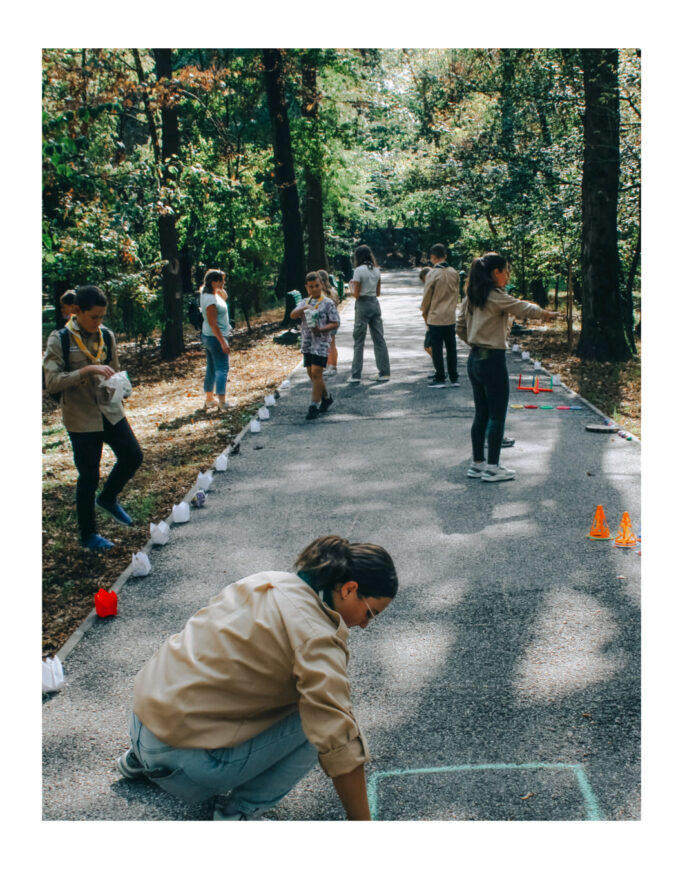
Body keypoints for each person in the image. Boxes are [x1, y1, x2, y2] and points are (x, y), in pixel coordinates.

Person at [117, 535, 398, 821]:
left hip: (141, 722)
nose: (364, 625)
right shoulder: (317, 638)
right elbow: (340, 743)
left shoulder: (268, 580)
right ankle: (238, 814)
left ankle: (136, 760)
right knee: (318, 719)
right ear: (350, 589)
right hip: (183, 766)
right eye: (369, 613)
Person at [43, 285, 143, 550]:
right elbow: (51, 382)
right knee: (88, 476)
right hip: (81, 418)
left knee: (133, 455)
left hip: (109, 411)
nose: (98, 322)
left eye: (102, 316)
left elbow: (115, 369)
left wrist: (121, 387)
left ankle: (108, 499)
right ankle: (89, 535)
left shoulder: (106, 336)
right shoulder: (60, 339)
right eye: (93, 317)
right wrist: (85, 370)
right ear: (77, 311)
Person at [457, 252, 558, 482]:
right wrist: (546, 314)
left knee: (481, 413)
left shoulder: (470, 297)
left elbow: (460, 327)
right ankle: (493, 467)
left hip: (474, 359)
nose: (507, 276)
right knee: (497, 414)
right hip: (492, 360)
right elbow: (522, 307)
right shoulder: (496, 296)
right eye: (506, 271)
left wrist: (475, 340)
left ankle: (477, 463)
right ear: (496, 273)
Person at [290, 271, 340, 420]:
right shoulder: (305, 302)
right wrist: (304, 308)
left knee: (317, 372)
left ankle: (314, 405)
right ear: (307, 287)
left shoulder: (328, 303)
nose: (314, 289)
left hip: (321, 342)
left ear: (322, 285)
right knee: (311, 373)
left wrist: (321, 330)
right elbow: (292, 315)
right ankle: (325, 397)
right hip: (307, 342)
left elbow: (335, 322)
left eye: (317, 285)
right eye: (311, 287)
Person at [348, 245, 390, 383]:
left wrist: (351, 286)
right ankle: (384, 372)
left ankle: (356, 374)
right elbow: (378, 292)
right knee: (379, 339)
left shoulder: (358, 271)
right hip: (374, 303)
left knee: (359, 340)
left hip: (363, 304)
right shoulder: (377, 271)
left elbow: (356, 293)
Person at [421, 243, 460, 388]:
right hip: (450, 315)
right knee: (451, 347)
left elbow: (427, 297)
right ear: (445, 256)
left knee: (436, 348)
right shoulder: (454, 272)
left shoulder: (432, 274)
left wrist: (425, 313)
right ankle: (454, 376)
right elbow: (457, 294)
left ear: (433, 257)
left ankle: (440, 376)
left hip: (436, 316)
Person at [199, 269, 232, 412]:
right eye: (221, 280)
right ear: (213, 282)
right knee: (222, 368)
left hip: (208, 336)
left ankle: (209, 399)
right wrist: (223, 342)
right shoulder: (211, 300)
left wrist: (220, 287)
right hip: (215, 337)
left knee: (212, 367)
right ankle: (222, 402)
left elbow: (225, 296)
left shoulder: (208, 293)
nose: (223, 283)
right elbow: (213, 323)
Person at [318, 269, 339, 377]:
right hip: (335, 319)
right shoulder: (333, 291)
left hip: (327, 321)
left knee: (327, 344)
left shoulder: (322, 294)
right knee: (332, 344)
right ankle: (332, 366)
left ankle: (329, 365)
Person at [418, 267, 433, 358]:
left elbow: (426, 304)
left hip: (432, 321)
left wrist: (423, 309)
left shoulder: (430, 287)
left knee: (427, 346)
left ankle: (437, 362)